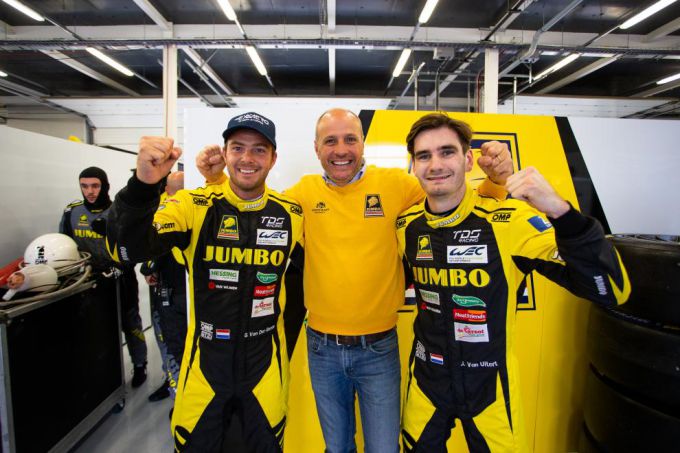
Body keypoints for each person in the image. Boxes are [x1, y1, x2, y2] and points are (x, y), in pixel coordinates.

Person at [196, 108, 513, 453]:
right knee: (337, 449)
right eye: (330, 141)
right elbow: (249, 211)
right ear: (316, 148)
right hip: (322, 348)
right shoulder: (302, 194)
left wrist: (496, 182)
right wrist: (216, 182)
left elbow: (456, 205)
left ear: (363, 143)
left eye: (350, 139)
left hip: (379, 349)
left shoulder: (399, 186)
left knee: (384, 449)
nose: (341, 150)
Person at [395, 113, 631, 452]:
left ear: (468, 160)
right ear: (414, 167)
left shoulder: (507, 222)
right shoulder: (406, 225)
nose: (436, 164)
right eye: (424, 156)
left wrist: (560, 211)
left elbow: (610, 287)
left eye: (447, 152)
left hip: (490, 387)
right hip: (426, 382)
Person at [106, 112, 303, 452]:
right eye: (237, 147)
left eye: (259, 149)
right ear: (225, 154)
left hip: (266, 367)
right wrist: (142, 186)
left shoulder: (292, 214)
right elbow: (124, 250)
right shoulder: (193, 205)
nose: (247, 158)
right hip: (204, 366)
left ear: (273, 158)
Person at [59, 166, 148, 387]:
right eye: (84, 186)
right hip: (88, 281)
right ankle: (105, 375)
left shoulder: (119, 211)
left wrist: (118, 265)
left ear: (104, 185)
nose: (90, 191)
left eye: (95, 186)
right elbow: (64, 246)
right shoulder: (72, 212)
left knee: (131, 323)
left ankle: (140, 364)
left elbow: (134, 249)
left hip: (121, 278)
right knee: (97, 327)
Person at [141, 170, 188, 403]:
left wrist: (149, 267)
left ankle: (182, 393)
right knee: (168, 341)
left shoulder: (194, 205)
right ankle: (174, 388)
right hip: (167, 286)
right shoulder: (159, 208)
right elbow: (150, 245)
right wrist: (149, 268)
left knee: (179, 342)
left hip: (184, 287)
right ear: (167, 190)